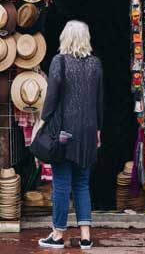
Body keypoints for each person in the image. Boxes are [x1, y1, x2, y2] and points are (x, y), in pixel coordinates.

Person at [38, 20, 103, 250]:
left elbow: (52, 98)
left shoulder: (60, 62)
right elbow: (99, 101)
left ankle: (57, 234)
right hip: (87, 132)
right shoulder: (95, 64)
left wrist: (43, 120)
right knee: (83, 184)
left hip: (64, 132)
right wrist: (97, 130)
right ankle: (85, 236)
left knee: (62, 184)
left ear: (66, 38)